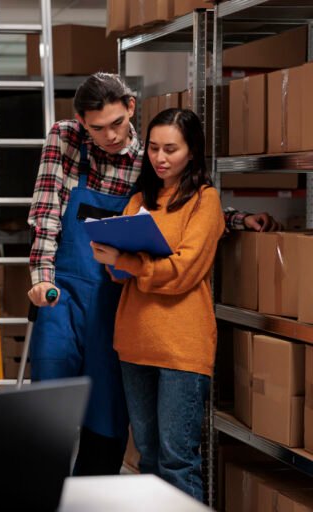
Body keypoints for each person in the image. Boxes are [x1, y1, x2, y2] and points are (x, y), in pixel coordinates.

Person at [26, 72, 280, 476]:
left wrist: (236, 219)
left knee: (106, 414)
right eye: (97, 128)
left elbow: (182, 206)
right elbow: (46, 212)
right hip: (62, 294)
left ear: (131, 107)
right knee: (46, 407)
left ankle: (93, 498)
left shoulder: (148, 158)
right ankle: (40, 495)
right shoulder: (65, 139)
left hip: (114, 300)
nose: (109, 136)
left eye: (116, 123)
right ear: (81, 122)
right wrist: (41, 277)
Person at [90, 108, 221, 500]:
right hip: (134, 345)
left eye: (171, 149)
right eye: (153, 148)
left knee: (177, 461)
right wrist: (112, 258)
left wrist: (129, 261)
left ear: (192, 151)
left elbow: (183, 272)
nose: (159, 158)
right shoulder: (138, 201)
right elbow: (120, 275)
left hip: (181, 348)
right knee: (148, 459)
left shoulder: (204, 201)